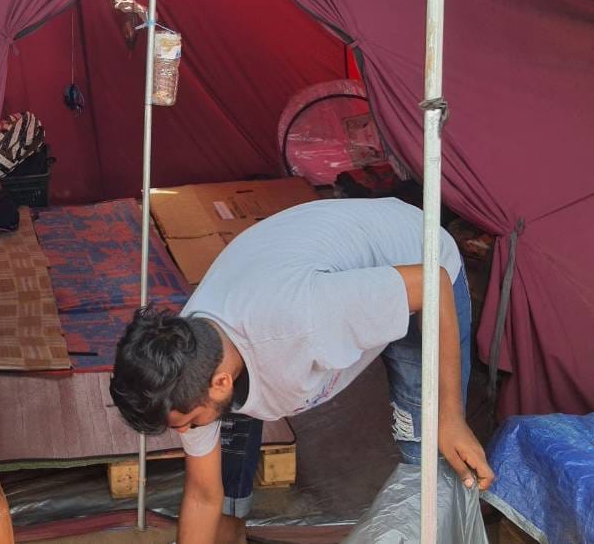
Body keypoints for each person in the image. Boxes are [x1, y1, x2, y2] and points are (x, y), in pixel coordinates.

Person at [110, 198, 495, 543]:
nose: (187, 432)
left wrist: (450, 416)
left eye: (189, 423)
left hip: (417, 259)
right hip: (318, 261)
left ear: (220, 380)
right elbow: (203, 493)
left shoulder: (303, 320)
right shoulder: (191, 359)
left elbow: (430, 283)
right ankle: (235, 530)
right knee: (223, 461)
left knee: (428, 453)